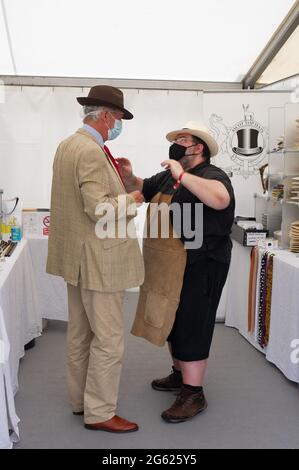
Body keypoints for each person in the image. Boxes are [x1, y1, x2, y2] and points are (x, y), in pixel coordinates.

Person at [116, 121, 235, 423]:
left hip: (204, 263)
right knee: (174, 318)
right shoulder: (167, 178)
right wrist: (129, 176)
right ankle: (179, 374)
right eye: (176, 138)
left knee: (194, 322)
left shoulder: (212, 174)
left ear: (199, 148)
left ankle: (194, 393)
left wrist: (183, 175)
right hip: (172, 264)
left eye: (184, 139)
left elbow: (220, 199)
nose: (177, 143)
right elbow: (140, 188)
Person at [46, 85, 144, 433]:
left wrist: (122, 178)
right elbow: (98, 208)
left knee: (80, 335)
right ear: (104, 115)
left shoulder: (69, 145)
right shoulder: (89, 150)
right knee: (108, 339)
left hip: (77, 258)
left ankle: (80, 401)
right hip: (99, 261)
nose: (117, 125)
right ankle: (100, 411)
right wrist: (133, 197)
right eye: (117, 118)